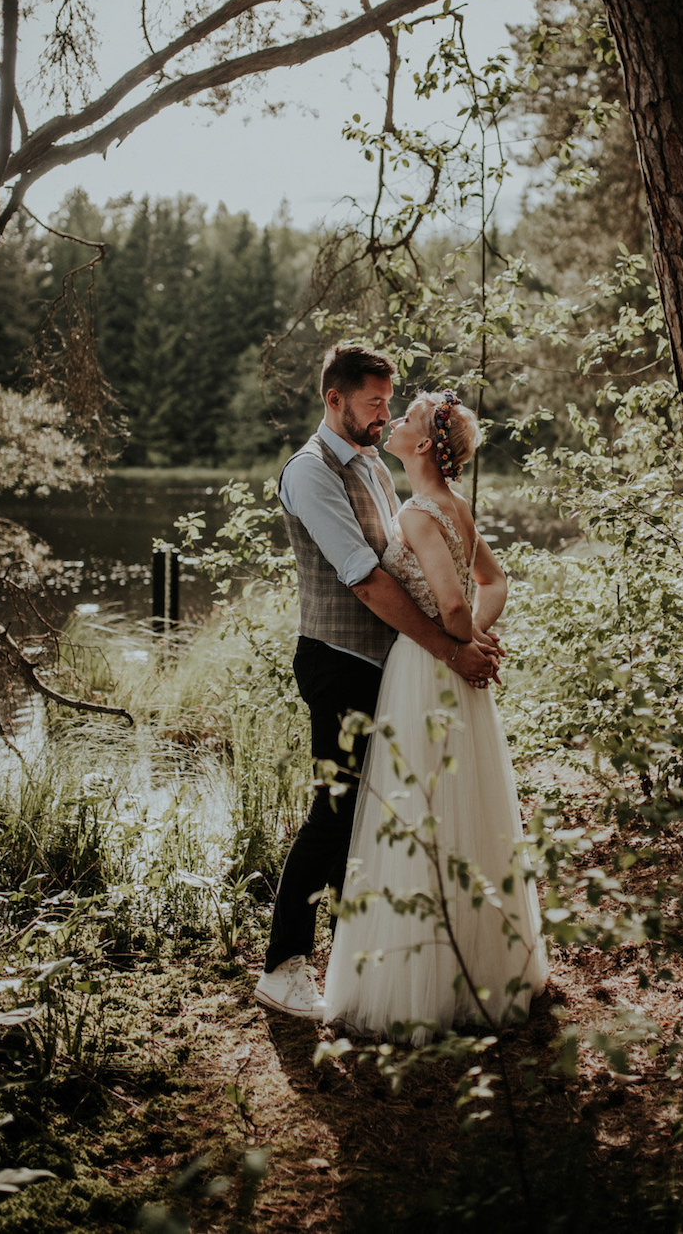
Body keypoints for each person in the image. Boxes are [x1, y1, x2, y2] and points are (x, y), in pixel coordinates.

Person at [254, 347, 499, 1019]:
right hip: (336, 662)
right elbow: (365, 579)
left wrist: (465, 636)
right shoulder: (311, 472)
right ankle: (282, 966)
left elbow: (421, 564)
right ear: (334, 399)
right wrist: (452, 651)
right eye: (372, 403)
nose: (382, 413)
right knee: (333, 813)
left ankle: (359, 961)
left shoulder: (370, 461)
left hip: (389, 668)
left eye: (389, 404)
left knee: (369, 817)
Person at [321, 390, 548, 1045]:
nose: (393, 421)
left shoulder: (421, 514)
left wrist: (461, 639)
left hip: (427, 671)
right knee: (466, 809)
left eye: (407, 417)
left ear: (422, 445)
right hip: (458, 675)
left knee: (421, 808)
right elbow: (496, 584)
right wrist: (478, 637)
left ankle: (422, 982)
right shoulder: (458, 507)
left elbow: (453, 602)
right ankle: (486, 964)